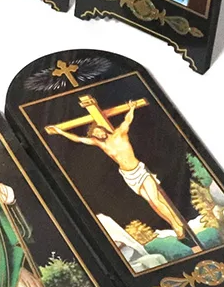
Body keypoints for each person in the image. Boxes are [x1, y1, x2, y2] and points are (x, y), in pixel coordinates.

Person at [48, 101, 187, 239]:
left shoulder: (120, 134)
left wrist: (131, 109)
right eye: (95, 134)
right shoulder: (102, 145)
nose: (99, 134)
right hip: (129, 176)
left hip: (140, 171)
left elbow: (127, 121)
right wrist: (60, 131)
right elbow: (78, 139)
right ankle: (173, 223)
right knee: (152, 204)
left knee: (155, 199)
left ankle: (177, 225)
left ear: (103, 129)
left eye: (99, 131)